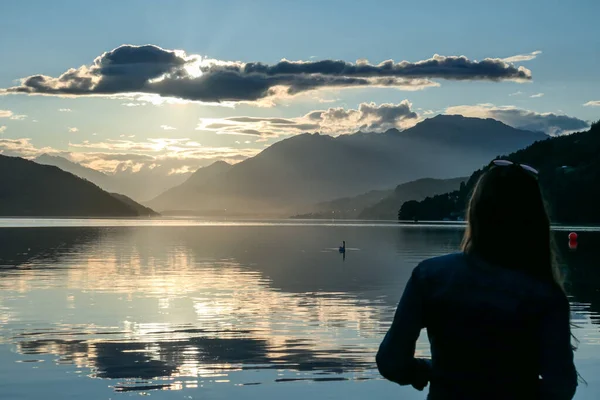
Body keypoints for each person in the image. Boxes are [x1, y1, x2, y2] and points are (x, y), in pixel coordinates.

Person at [376, 159, 579, 400]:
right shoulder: (545, 294)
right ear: (533, 220)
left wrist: (424, 371)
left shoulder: (430, 277)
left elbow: (390, 361)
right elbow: (561, 386)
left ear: (476, 212)